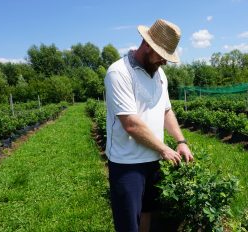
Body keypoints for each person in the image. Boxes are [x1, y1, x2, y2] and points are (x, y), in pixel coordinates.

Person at [104, 19, 194, 232]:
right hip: (127, 165)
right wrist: (164, 148)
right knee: (128, 224)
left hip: (153, 160)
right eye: (161, 56)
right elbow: (131, 124)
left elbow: (166, 110)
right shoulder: (119, 73)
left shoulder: (160, 74)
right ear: (147, 45)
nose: (164, 61)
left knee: (147, 212)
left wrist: (180, 141)